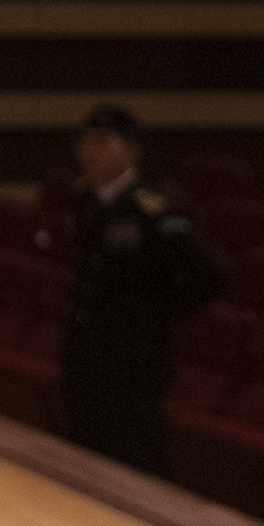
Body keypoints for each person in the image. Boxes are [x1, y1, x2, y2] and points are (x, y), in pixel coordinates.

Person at [61, 104, 222, 474]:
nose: (91, 152)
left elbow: (209, 276)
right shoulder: (83, 202)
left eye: (103, 142)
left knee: (131, 461)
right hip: (87, 357)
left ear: (131, 151)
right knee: (83, 459)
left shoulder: (151, 210)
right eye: (87, 142)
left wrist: (154, 316)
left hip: (132, 364)